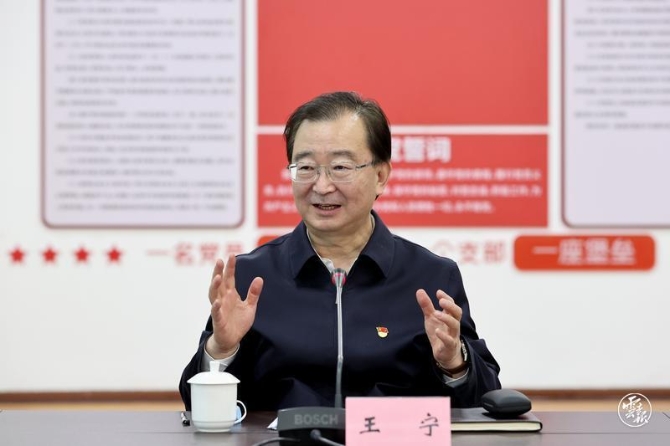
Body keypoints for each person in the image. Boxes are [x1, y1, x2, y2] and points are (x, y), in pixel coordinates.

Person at [179, 91, 501, 411]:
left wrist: (453, 363)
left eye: (340, 167)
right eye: (306, 167)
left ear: (380, 176)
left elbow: (485, 400)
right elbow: (196, 406)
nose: (321, 186)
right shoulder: (252, 278)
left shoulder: (431, 277)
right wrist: (221, 349)